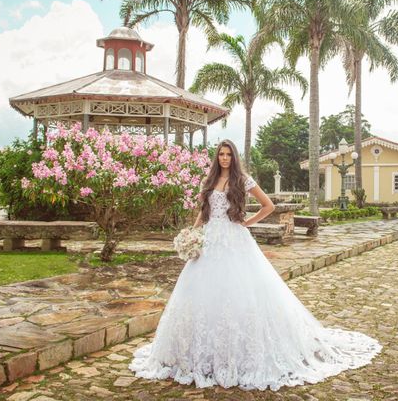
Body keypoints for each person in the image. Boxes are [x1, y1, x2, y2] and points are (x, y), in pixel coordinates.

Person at [129, 140, 381, 391]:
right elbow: (202, 211)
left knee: (240, 292)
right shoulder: (210, 181)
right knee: (201, 291)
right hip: (208, 240)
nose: (224, 158)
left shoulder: (242, 179)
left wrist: (247, 223)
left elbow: (268, 205)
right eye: (221, 154)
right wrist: (192, 234)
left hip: (234, 239)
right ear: (217, 157)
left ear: (234, 157)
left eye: (228, 154)